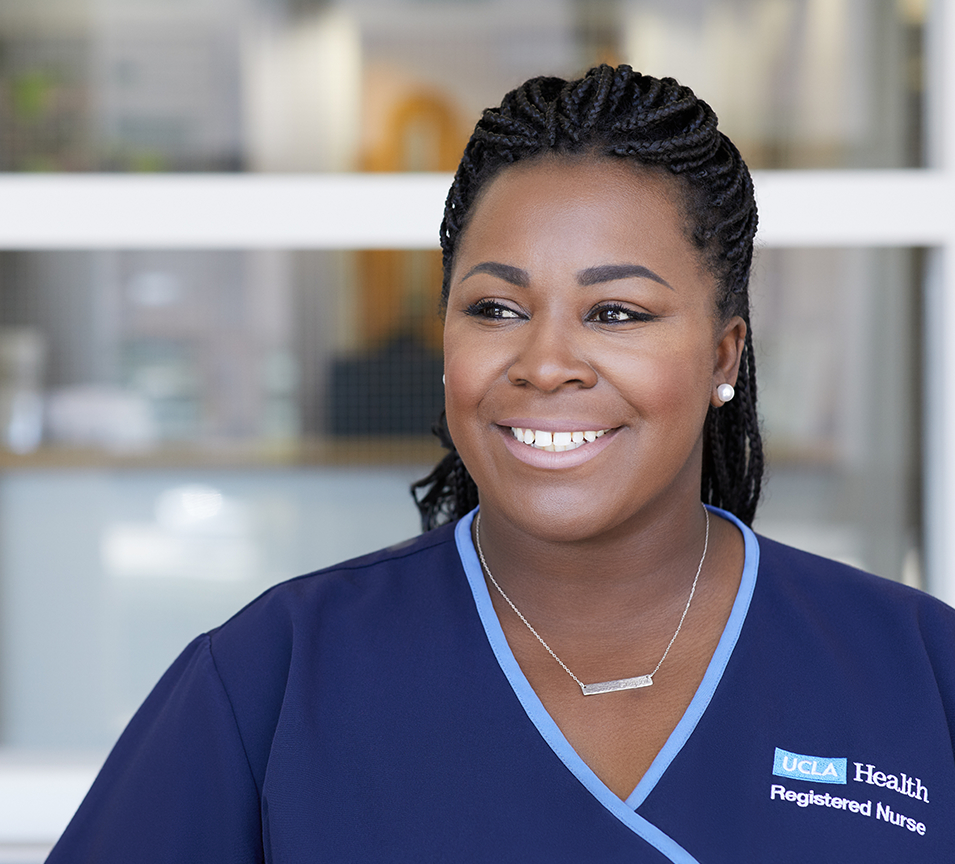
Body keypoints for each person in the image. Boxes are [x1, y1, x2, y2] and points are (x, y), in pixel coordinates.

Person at [48, 65, 954, 863]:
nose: (544, 361)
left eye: (617, 314)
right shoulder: (272, 679)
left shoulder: (917, 670)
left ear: (723, 356)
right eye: (494, 308)